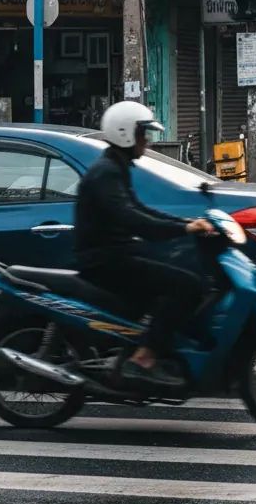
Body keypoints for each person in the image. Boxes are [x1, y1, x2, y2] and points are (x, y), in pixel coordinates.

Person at [75, 101, 214, 390]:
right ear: (125, 133)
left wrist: (186, 222)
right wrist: (184, 227)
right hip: (106, 260)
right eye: (143, 134)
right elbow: (131, 217)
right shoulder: (107, 173)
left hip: (119, 252)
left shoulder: (116, 167)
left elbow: (140, 209)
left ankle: (155, 347)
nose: (147, 141)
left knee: (175, 274)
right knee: (187, 285)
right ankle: (144, 358)